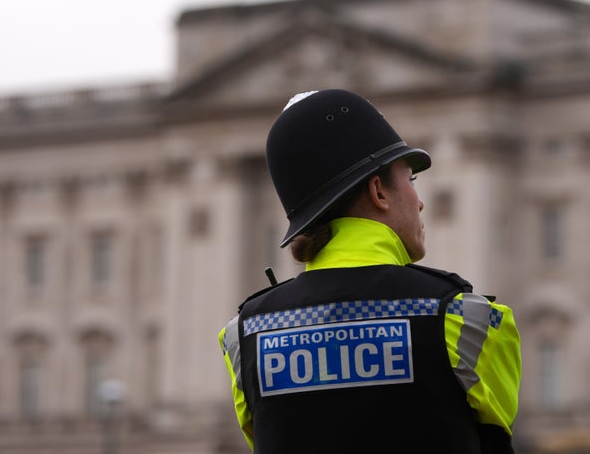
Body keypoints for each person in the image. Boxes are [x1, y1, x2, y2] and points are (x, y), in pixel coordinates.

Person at [219, 89, 521, 453]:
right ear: (379, 192)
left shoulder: (245, 336)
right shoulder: (465, 320)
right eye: (411, 181)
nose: (420, 201)